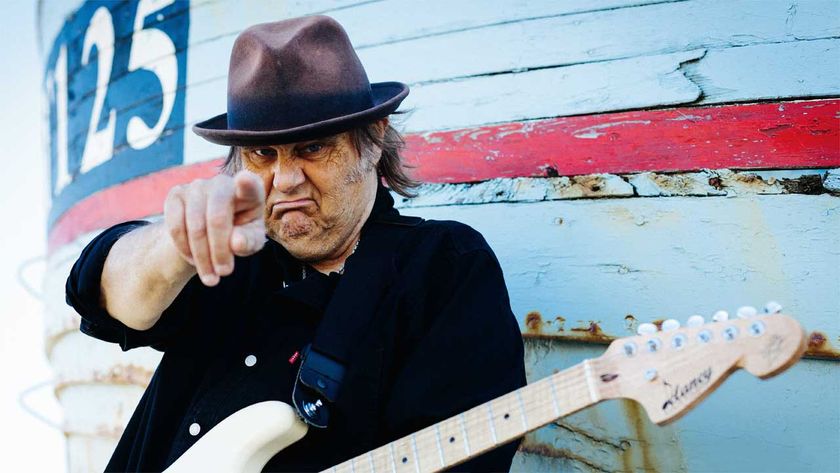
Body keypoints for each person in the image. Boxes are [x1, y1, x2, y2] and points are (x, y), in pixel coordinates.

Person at [66, 15, 526, 472]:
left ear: (374, 137)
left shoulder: (444, 267)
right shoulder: (228, 257)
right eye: (263, 154)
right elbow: (99, 297)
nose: (285, 180)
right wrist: (176, 247)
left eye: (313, 148)